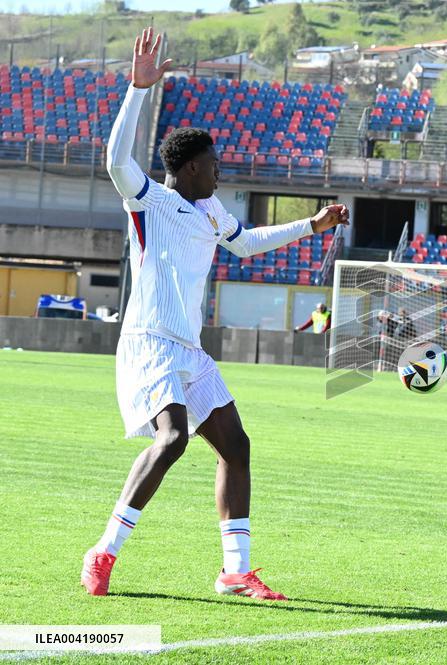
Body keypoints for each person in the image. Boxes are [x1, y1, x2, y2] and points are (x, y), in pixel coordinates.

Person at [81, 28, 350, 601]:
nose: (220, 170)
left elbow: (246, 243)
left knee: (236, 445)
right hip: (149, 342)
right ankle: (103, 552)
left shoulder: (210, 211)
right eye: (212, 164)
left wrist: (312, 225)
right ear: (189, 169)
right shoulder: (149, 200)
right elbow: (114, 158)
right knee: (173, 438)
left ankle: (235, 570)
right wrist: (138, 89)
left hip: (188, 349)